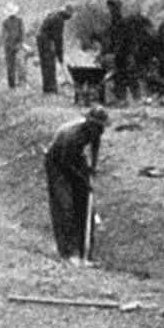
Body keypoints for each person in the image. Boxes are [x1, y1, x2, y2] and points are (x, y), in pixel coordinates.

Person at [44, 106, 109, 265]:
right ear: (88, 123)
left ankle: (86, 252)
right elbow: (66, 163)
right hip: (57, 162)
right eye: (96, 126)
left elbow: (95, 146)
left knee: (85, 204)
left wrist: (92, 169)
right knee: (65, 205)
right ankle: (68, 252)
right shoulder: (71, 135)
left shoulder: (97, 131)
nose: (99, 130)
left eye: (101, 127)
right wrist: (84, 180)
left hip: (75, 157)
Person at [36, 5, 74, 94]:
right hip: (46, 40)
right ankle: (51, 88)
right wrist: (60, 54)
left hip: (41, 39)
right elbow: (58, 38)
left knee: (45, 64)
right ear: (67, 14)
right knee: (50, 64)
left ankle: (47, 87)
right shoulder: (59, 20)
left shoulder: (54, 14)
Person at [0, 5, 25, 89]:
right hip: (10, 45)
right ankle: (12, 83)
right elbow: (4, 34)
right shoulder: (7, 22)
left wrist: (19, 43)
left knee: (17, 64)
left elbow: (21, 33)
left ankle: (17, 82)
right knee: (13, 65)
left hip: (12, 45)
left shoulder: (18, 21)